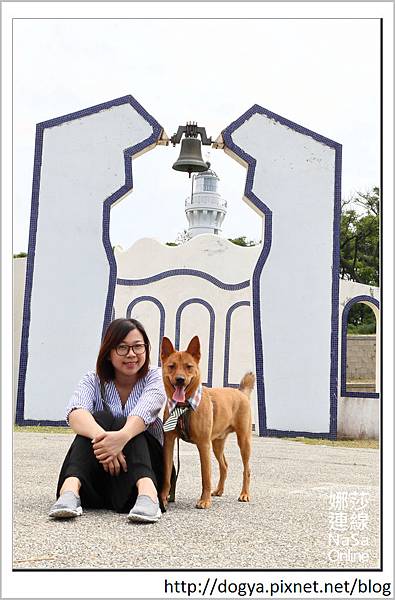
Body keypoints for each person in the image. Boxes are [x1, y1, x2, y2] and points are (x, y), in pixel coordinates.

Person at [49, 318, 166, 523]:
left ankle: (149, 495)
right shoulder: (93, 379)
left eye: (138, 346)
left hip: (147, 465)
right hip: (102, 470)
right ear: (108, 353)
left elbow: (146, 410)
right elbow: (75, 413)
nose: (131, 354)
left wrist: (122, 436)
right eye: (122, 347)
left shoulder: (156, 376)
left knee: (127, 423)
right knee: (99, 419)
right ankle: (70, 492)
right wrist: (105, 441)